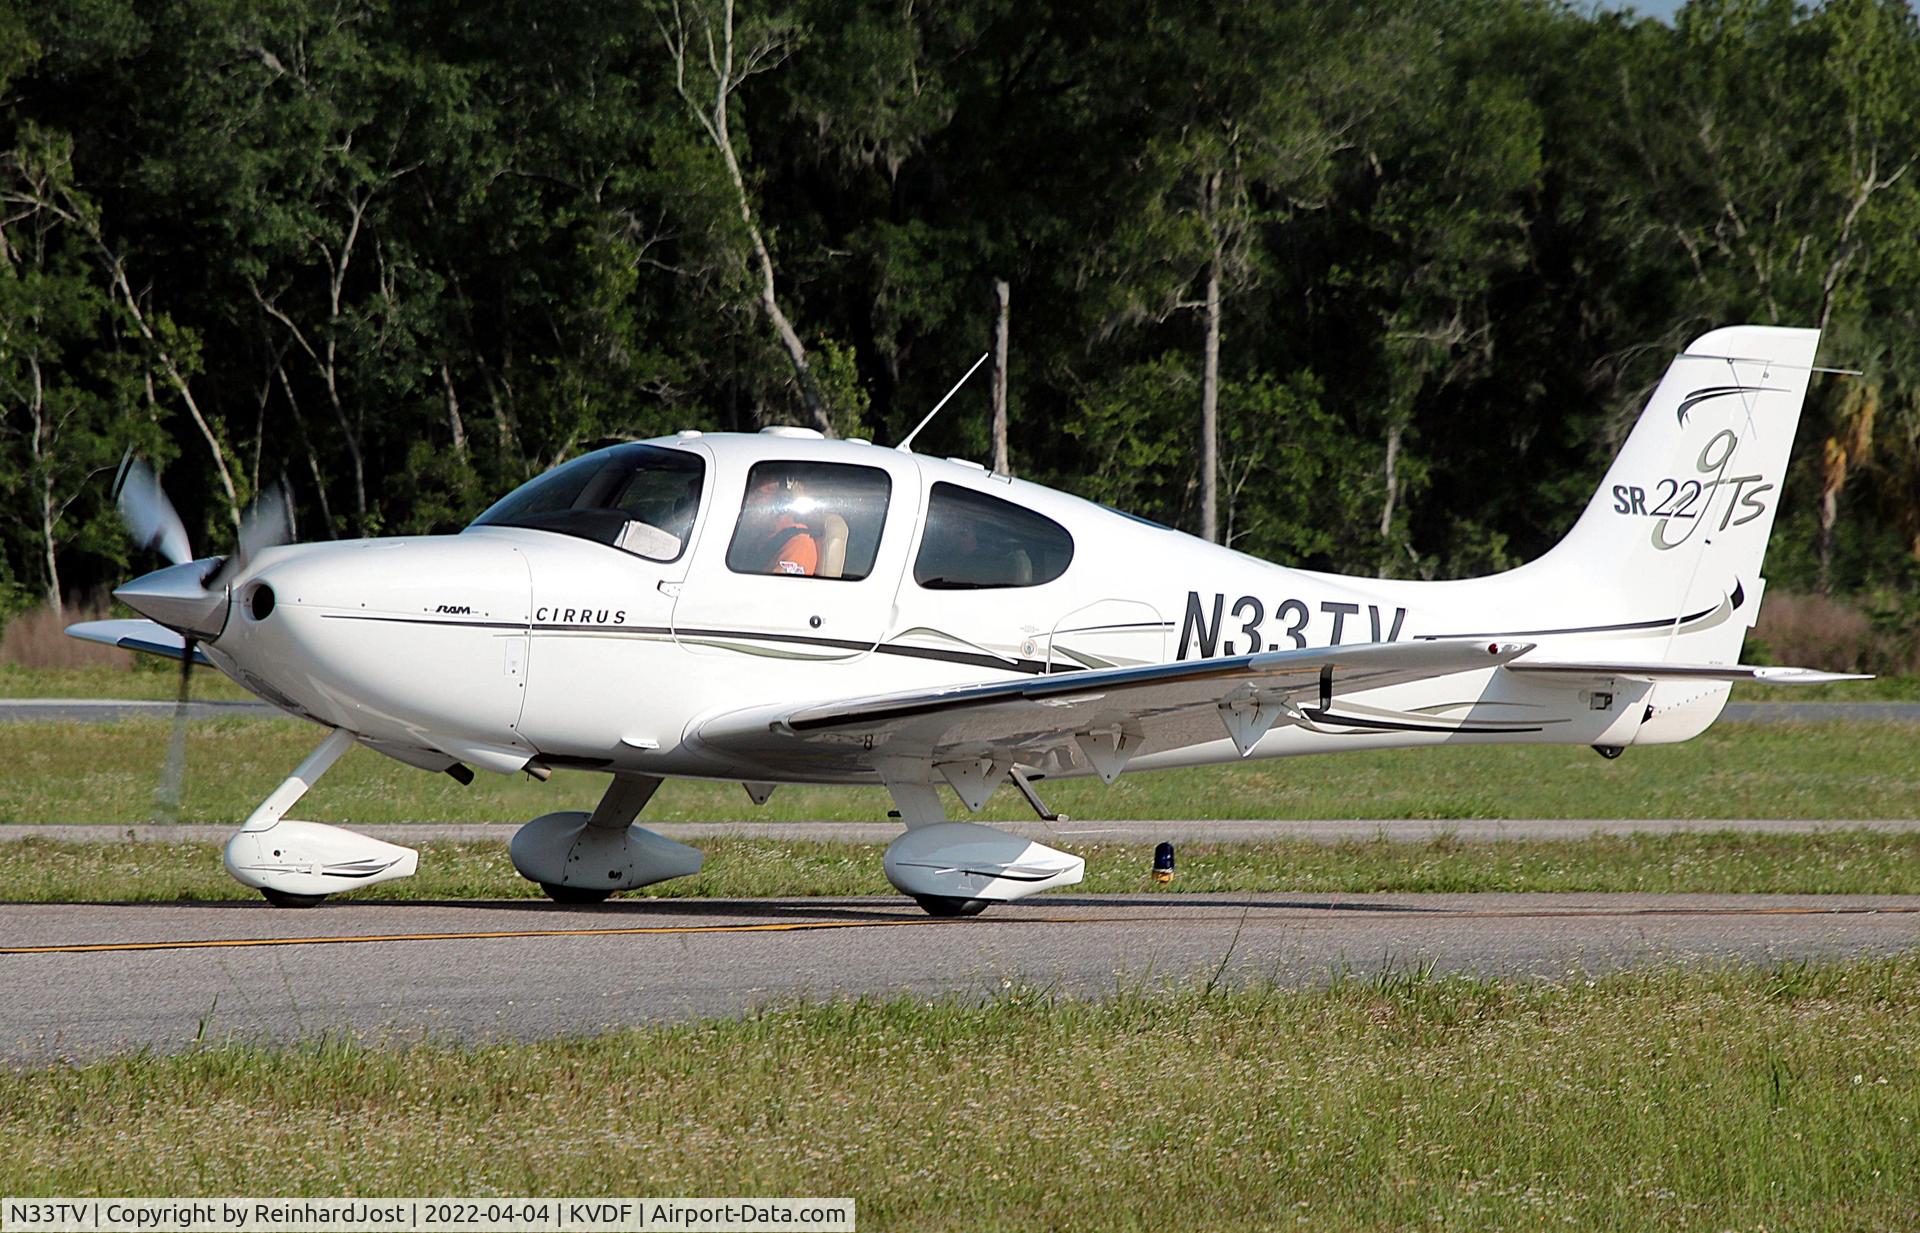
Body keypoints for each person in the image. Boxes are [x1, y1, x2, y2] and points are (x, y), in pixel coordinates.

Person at [739, 473, 818, 576]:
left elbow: (779, 590)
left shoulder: (799, 543)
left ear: (780, 499)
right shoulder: (761, 534)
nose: (749, 502)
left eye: (759, 495)